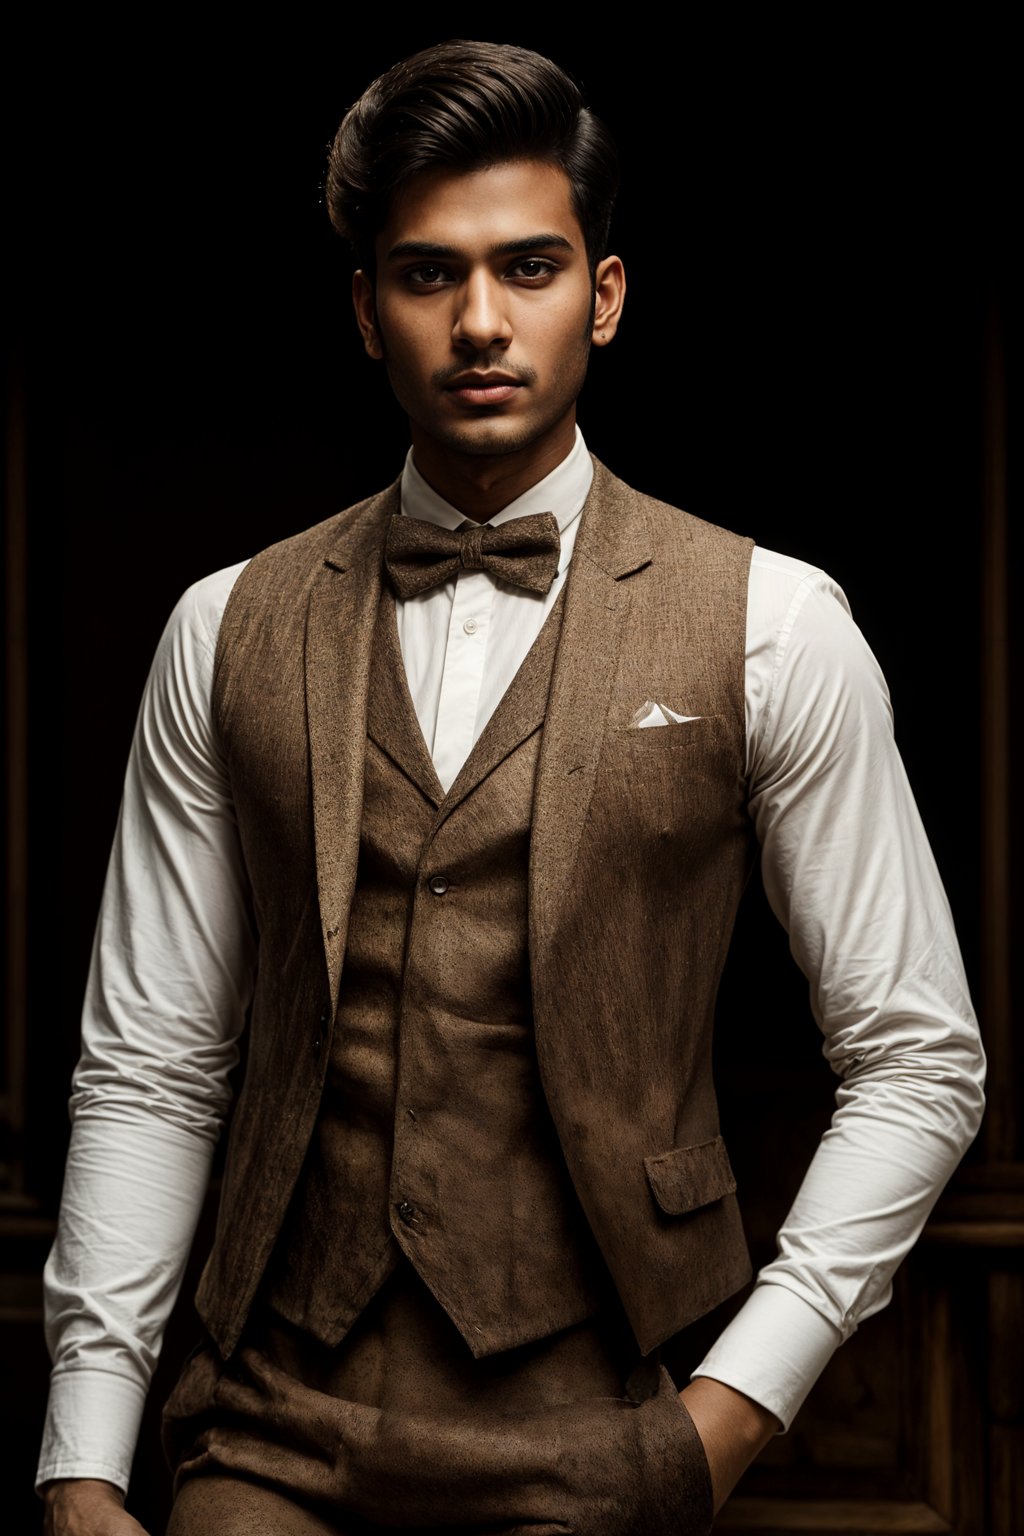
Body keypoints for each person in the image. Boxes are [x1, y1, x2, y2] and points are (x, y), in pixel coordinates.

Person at [37, 37, 986, 1536]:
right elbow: (154, 1058)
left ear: (604, 296)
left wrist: (724, 1421)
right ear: (366, 310)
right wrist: (83, 1459)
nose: (481, 321)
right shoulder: (226, 626)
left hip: (604, 1428)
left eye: (530, 268)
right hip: (272, 1426)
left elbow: (919, 1055)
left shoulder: (774, 623)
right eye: (427, 276)